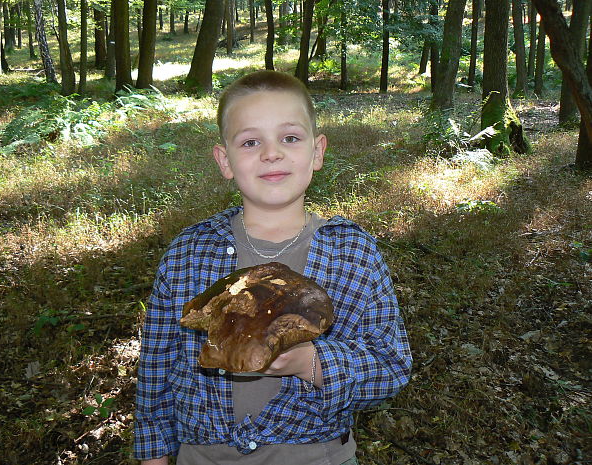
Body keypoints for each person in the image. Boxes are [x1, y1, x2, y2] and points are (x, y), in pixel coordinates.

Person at [134, 70, 412, 465]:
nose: (271, 153)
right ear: (224, 160)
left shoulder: (352, 252)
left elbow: (391, 365)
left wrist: (312, 363)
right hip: (203, 456)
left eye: (290, 138)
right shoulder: (189, 252)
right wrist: (153, 456)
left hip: (315, 454)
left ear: (316, 152)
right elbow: (157, 367)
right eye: (250, 142)